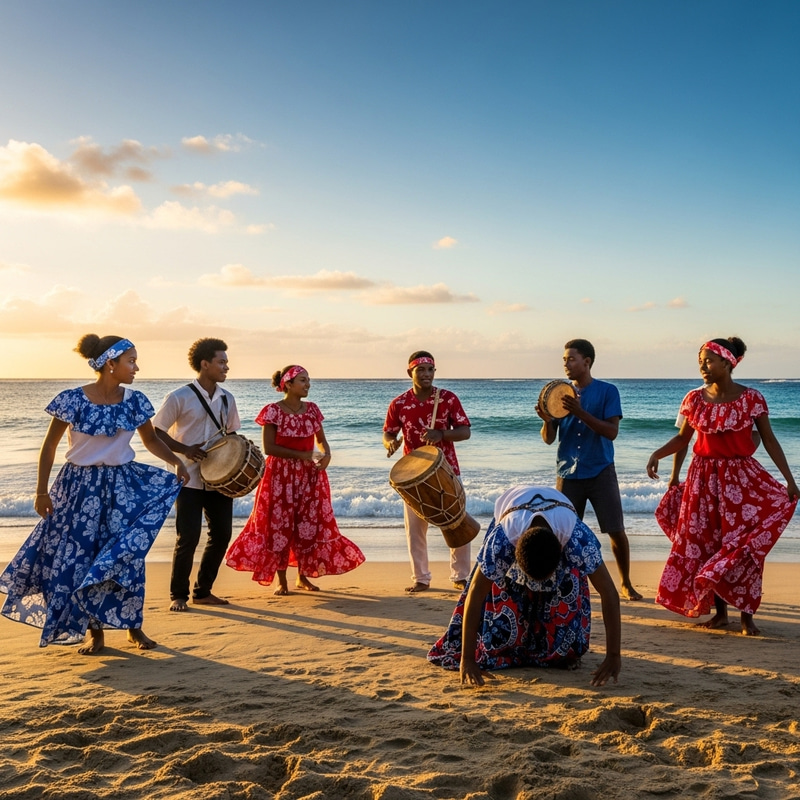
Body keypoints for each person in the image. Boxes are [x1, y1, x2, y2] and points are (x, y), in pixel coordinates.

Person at [0, 334, 188, 654]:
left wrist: (176, 461)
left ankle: (133, 627)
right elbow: (50, 447)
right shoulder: (71, 400)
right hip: (77, 489)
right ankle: (95, 632)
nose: (137, 368)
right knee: (82, 560)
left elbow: (151, 441)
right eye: (131, 361)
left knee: (126, 557)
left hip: (122, 488)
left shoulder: (135, 400)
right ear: (110, 364)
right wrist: (41, 491)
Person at [646, 337, 798, 635]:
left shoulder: (752, 398)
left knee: (743, 548)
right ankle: (720, 614)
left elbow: (768, 440)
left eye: (709, 360)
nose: (703, 366)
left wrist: (790, 480)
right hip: (702, 481)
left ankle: (747, 615)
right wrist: (659, 457)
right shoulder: (694, 399)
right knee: (708, 545)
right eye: (700, 361)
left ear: (728, 363)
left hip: (741, 480)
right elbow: (682, 440)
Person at [428, 485, 621, 687]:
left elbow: (608, 592)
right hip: (513, 512)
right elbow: (476, 593)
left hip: (560, 519)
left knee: (567, 595)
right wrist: (467, 660)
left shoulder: (577, 539)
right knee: (500, 628)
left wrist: (614, 655)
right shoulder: (501, 541)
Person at [226, 365, 365, 594]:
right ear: (288, 384)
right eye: (302, 380)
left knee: (307, 526)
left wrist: (327, 455)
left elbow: (321, 440)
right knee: (279, 526)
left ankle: (303, 577)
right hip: (279, 476)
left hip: (309, 476)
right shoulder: (273, 411)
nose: (307, 384)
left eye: (308, 380)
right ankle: (282, 580)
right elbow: (269, 448)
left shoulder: (312, 410)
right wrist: (303, 456)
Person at [537, 338, 642, 601]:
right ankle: (563, 583)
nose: (566, 364)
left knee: (615, 529)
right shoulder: (558, 393)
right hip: (567, 473)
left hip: (600, 470)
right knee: (563, 531)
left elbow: (612, 432)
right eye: (564, 360)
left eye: (571, 359)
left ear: (587, 362)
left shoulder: (608, 391)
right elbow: (549, 439)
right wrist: (548, 421)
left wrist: (580, 412)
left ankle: (626, 583)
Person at [154, 338, 241, 612]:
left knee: (222, 534)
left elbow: (232, 436)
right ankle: (177, 595)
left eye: (226, 362)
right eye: (221, 362)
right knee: (188, 537)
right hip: (187, 478)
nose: (227, 367)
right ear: (205, 364)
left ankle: (203, 592)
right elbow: (156, 432)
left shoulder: (228, 399)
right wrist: (184, 450)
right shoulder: (179, 396)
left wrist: (239, 461)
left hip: (219, 480)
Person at [383, 351, 472, 593]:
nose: (426, 374)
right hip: (412, 476)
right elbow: (388, 432)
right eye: (420, 370)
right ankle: (421, 578)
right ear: (409, 372)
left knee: (456, 524)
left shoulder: (447, 399)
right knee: (415, 531)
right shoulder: (399, 403)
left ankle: (461, 575)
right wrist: (390, 443)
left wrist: (441, 434)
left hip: (447, 470)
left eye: (430, 370)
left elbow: (465, 431)